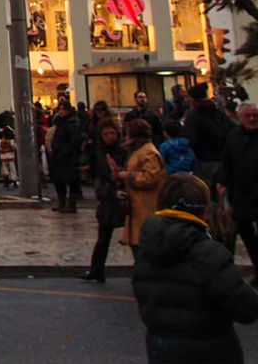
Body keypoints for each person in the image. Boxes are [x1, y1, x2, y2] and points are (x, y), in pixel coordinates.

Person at [133, 173, 258, 363]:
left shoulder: (146, 252)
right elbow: (246, 309)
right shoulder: (208, 254)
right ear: (203, 211)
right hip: (211, 353)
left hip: (162, 351)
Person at [80, 117, 128, 284]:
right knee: (103, 236)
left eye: (112, 133)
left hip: (123, 196)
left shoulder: (123, 151)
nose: (110, 136)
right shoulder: (98, 151)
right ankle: (97, 270)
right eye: (106, 133)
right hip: (107, 196)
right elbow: (95, 172)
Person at [118, 118, 168, 261]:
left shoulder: (148, 153)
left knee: (144, 246)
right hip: (138, 204)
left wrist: (128, 176)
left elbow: (151, 177)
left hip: (146, 205)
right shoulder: (140, 151)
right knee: (138, 245)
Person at [220, 101, 258, 285]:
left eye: (255, 116)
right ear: (241, 117)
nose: (252, 119)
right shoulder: (234, 137)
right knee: (247, 235)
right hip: (241, 194)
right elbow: (226, 162)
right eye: (248, 116)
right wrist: (223, 182)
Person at [185, 83, 235, 194]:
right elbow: (232, 129)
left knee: (205, 191)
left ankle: (209, 210)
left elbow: (191, 139)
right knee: (222, 191)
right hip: (221, 159)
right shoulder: (217, 112)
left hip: (204, 160)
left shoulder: (193, 115)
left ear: (194, 98)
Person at [49, 100, 84, 213]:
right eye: (60, 110)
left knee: (71, 180)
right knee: (59, 181)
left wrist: (66, 151)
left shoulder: (72, 123)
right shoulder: (60, 122)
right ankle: (62, 203)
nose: (61, 112)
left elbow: (75, 140)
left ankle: (71, 204)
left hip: (68, 157)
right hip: (59, 156)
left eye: (63, 110)